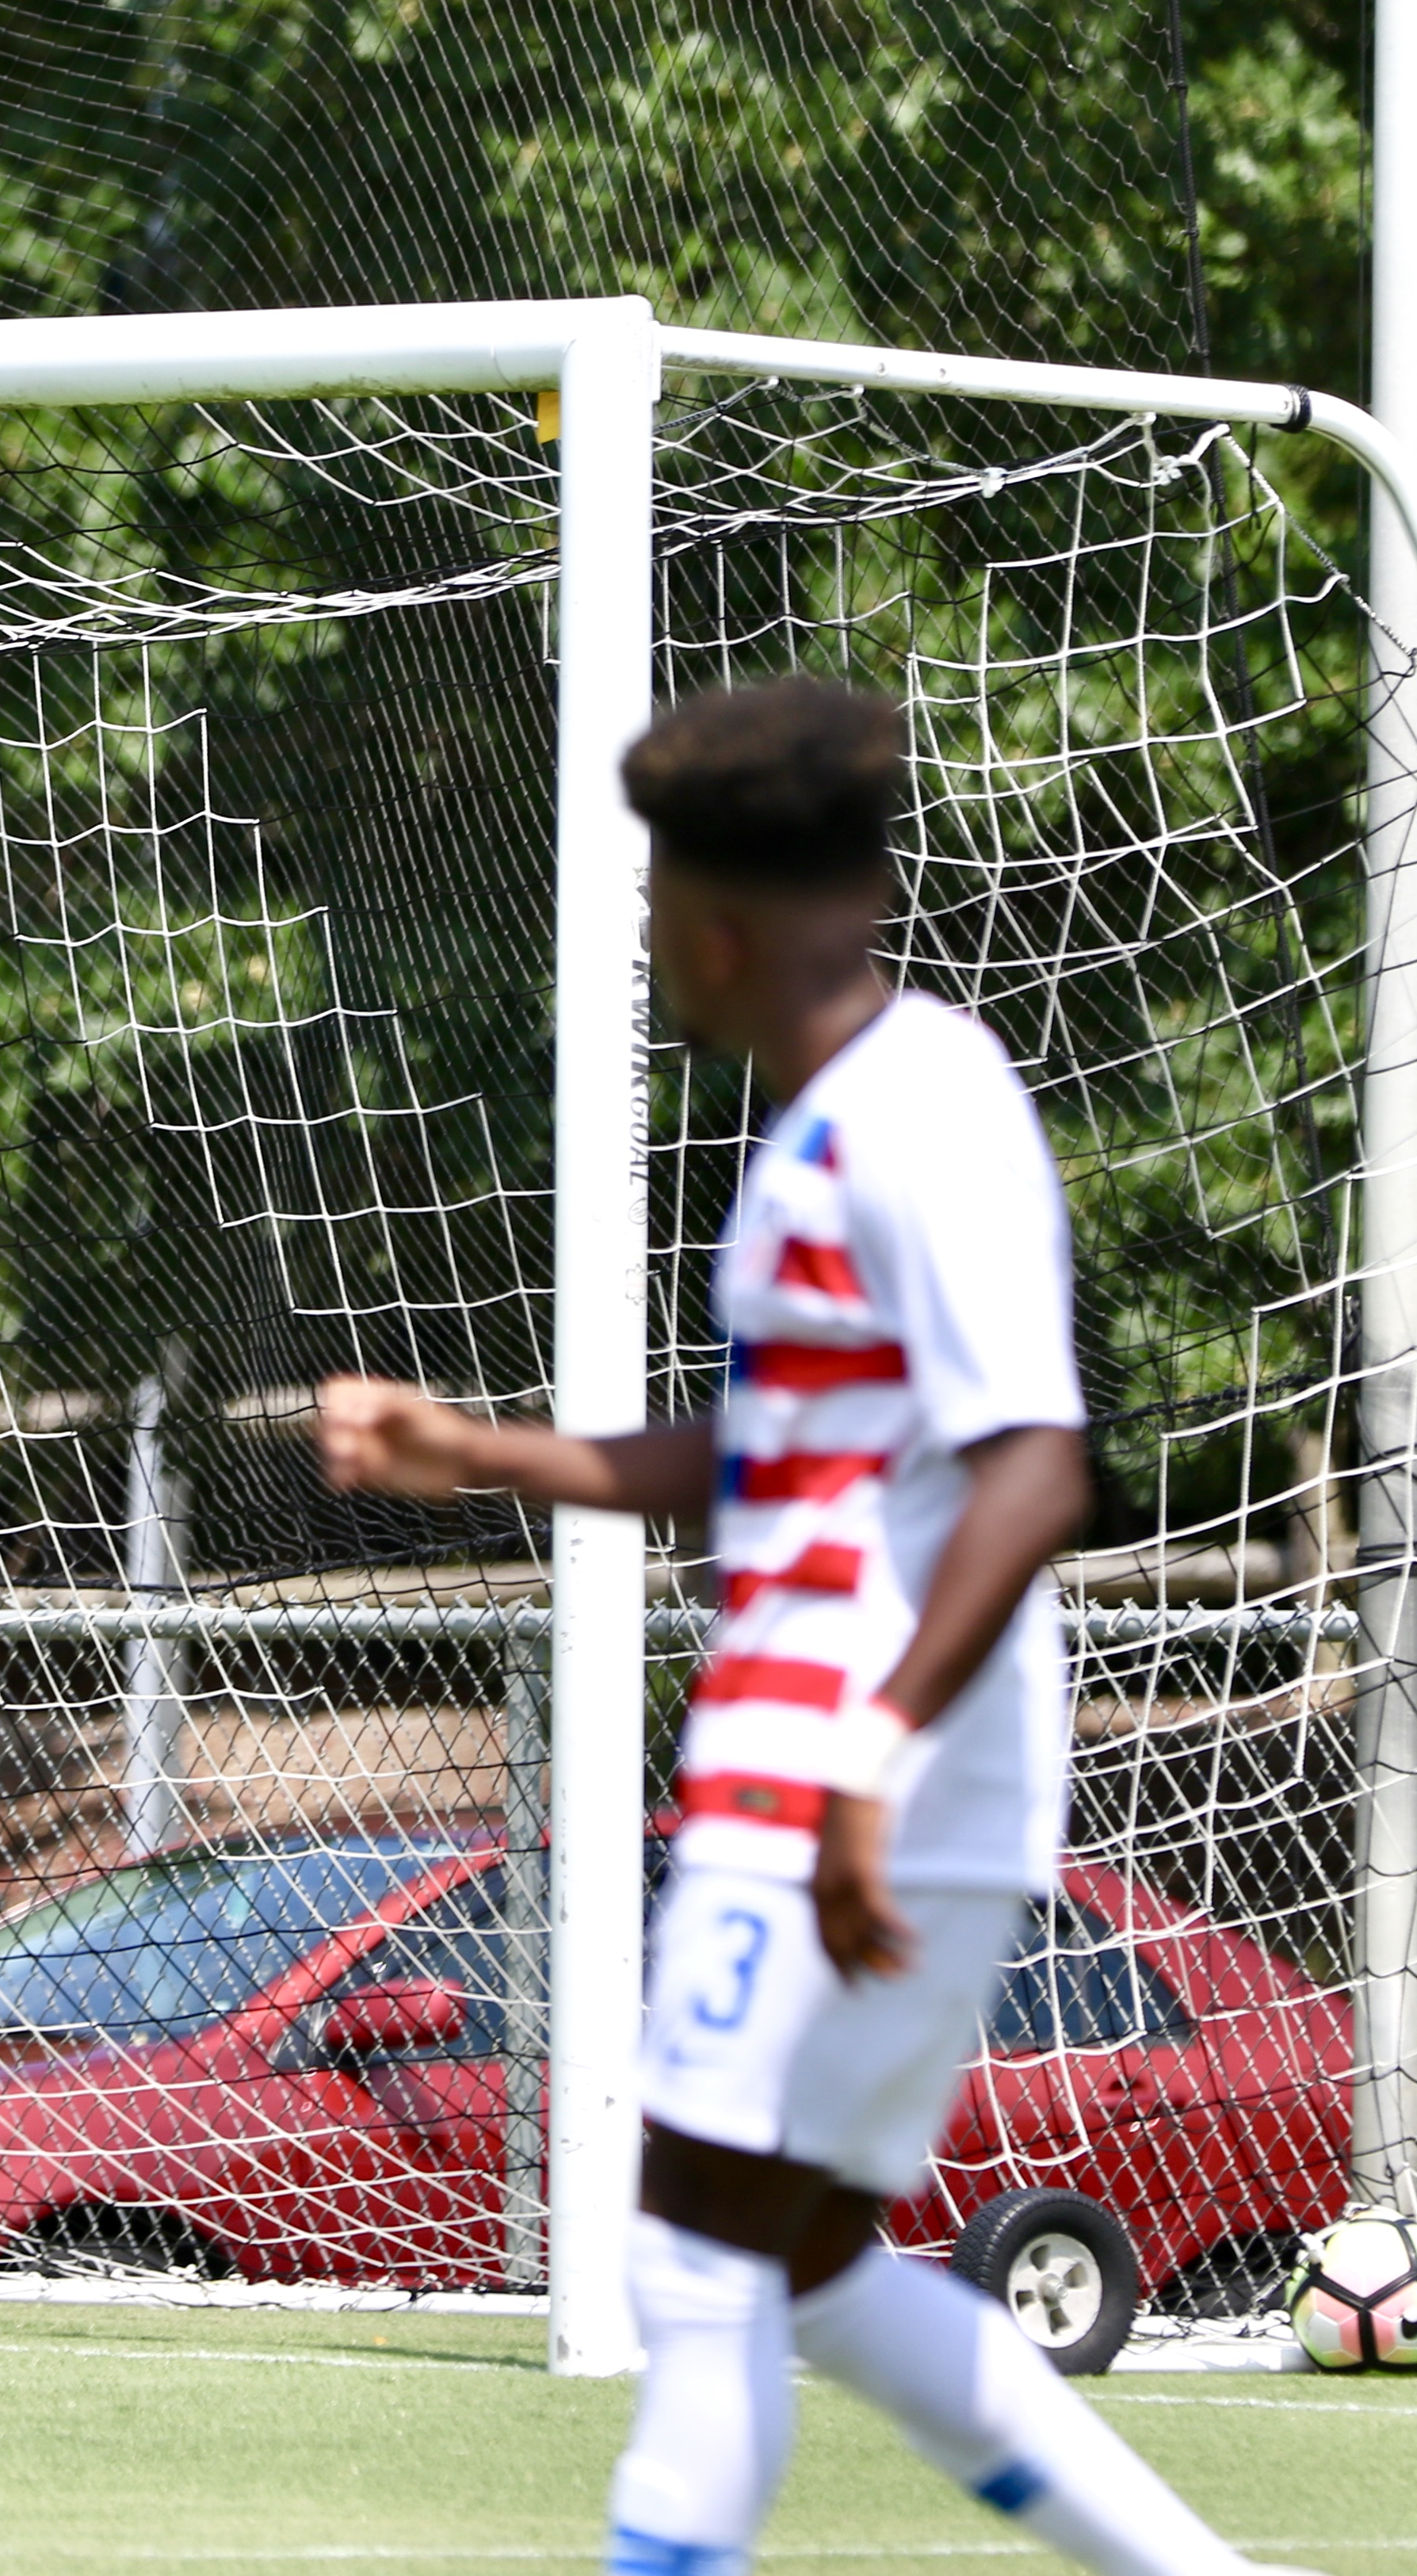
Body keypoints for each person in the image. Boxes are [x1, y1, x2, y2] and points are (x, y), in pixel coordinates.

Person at [315, 681, 1299, 2576]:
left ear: (711, 917)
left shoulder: (924, 1107)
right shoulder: (822, 1127)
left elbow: (1036, 1469)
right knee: (809, 2260)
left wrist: (868, 1753)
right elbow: (780, 1459)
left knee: (689, 2237)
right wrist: (479, 1447)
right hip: (841, 1759)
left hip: (857, 1763)